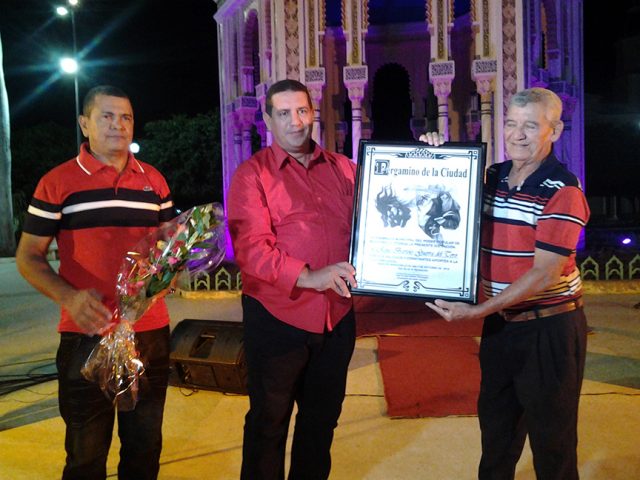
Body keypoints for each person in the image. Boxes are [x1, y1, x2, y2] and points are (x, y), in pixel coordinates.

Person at [421, 87, 590, 480]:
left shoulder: (563, 190)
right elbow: (445, 200)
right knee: (496, 439)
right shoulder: (493, 175)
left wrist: (477, 311)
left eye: (531, 126)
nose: (517, 134)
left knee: (553, 447)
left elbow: (544, 273)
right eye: (512, 124)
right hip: (501, 327)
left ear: (555, 130)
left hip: (548, 329)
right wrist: (433, 154)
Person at [16, 85, 176, 480]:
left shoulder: (153, 181)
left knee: (145, 448)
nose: (117, 126)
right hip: (85, 334)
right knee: (86, 454)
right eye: (106, 116)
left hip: (149, 332)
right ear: (84, 123)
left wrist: (173, 269)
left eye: (126, 117)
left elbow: (171, 248)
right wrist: (69, 297)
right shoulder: (57, 183)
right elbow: (28, 257)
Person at [227, 79, 357, 480]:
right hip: (277, 318)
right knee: (269, 423)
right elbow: (251, 249)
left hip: (337, 317)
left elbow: (391, 202)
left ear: (312, 112)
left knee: (320, 424)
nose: (295, 122)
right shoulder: (252, 176)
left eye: (302, 111)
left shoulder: (344, 169)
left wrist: (431, 157)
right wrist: (311, 277)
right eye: (283, 113)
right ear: (267, 118)